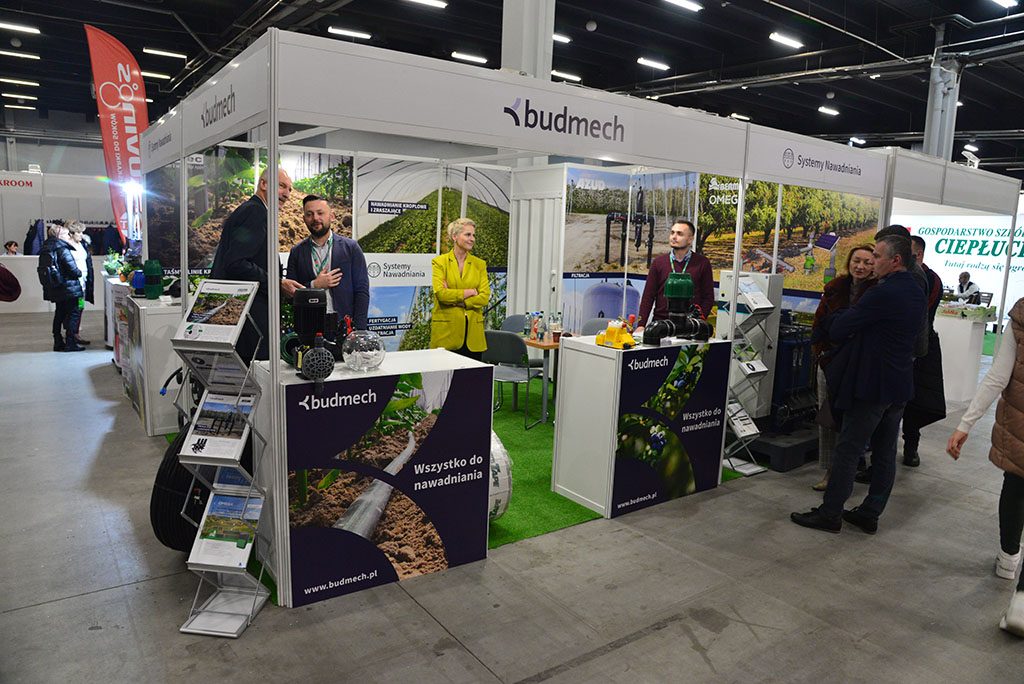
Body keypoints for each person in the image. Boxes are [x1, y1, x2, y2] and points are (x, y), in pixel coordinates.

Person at [791, 236, 925, 534]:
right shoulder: (916, 289)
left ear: (895, 260)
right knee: (885, 451)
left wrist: (837, 320)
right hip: (899, 383)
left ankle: (830, 513)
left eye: (876, 256)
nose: (872, 262)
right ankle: (870, 512)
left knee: (849, 449)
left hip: (872, 384)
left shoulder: (881, 293)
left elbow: (839, 328)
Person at [946, 297, 1024, 636]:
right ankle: (1021, 604)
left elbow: (998, 375)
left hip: (1020, 425)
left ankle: (1008, 559)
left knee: (1016, 485)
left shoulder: (1021, 314)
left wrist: (966, 423)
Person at [210, 167, 303, 362]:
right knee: (255, 373)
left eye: (289, 189)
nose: (287, 194)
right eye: (281, 186)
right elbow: (236, 262)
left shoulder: (250, 210)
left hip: (242, 317)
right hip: (250, 322)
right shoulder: (256, 212)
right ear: (263, 184)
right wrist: (277, 283)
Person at [809, 245, 876, 491]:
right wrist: (822, 353)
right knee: (828, 418)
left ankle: (848, 469)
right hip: (830, 361)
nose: (860, 266)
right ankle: (830, 472)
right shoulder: (835, 287)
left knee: (853, 418)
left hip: (858, 365)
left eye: (867, 262)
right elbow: (819, 323)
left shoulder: (877, 292)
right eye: (856, 260)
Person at [285, 194, 370, 334]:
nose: (315, 218)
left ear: (331, 216)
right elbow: (290, 295)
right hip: (309, 329)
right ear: (304, 219)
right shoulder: (296, 252)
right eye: (310, 214)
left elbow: (362, 291)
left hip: (345, 327)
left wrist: (359, 331)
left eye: (320, 213)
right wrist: (314, 286)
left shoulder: (351, 248)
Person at [900, 236, 945, 467]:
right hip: (905, 348)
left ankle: (911, 447)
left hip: (919, 348)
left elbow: (918, 314)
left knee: (915, 402)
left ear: (918, 254)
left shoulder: (929, 279)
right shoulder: (902, 276)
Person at [636, 220, 714, 333]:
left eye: (679, 234)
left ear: (690, 239)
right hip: (661, 325)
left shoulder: (702, 263)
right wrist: (641, 325)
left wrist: (698, 322)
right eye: (672, 233)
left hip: (689, 327)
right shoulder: (659, 262)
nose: (674, 237)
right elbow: (648, 296)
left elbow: (708, 298)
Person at [430, 218, 489, 360]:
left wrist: (463, 302)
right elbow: (442, 295)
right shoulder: (439, 262)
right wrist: (471, 292)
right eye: (468, 234)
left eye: (473, 235)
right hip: (446, 335)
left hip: (473, 338)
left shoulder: (480, 264)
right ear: (454, 236)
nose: (472, 239)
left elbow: (484, 297)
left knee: (472, 375)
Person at [38, 224, 85, 352]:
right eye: (65, 234)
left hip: (56, 287)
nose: (68, 236)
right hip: (68, 288)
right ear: (59, 236)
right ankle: (70, 342)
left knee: (59, 314)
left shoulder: (47, 248)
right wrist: (79, 273)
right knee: (73, 313)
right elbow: (73, 270)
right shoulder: (62, 249)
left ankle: (58, 341)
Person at [66, 222, 95, 346]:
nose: (81, 235)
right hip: (73, 283)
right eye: (78, 232)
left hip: (83, 282)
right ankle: (71, 335)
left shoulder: (82, 245)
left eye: (82, 232)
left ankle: (75, 332)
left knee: (80, 307)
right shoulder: (67, 246)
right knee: (73, 309)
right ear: (71, 233)